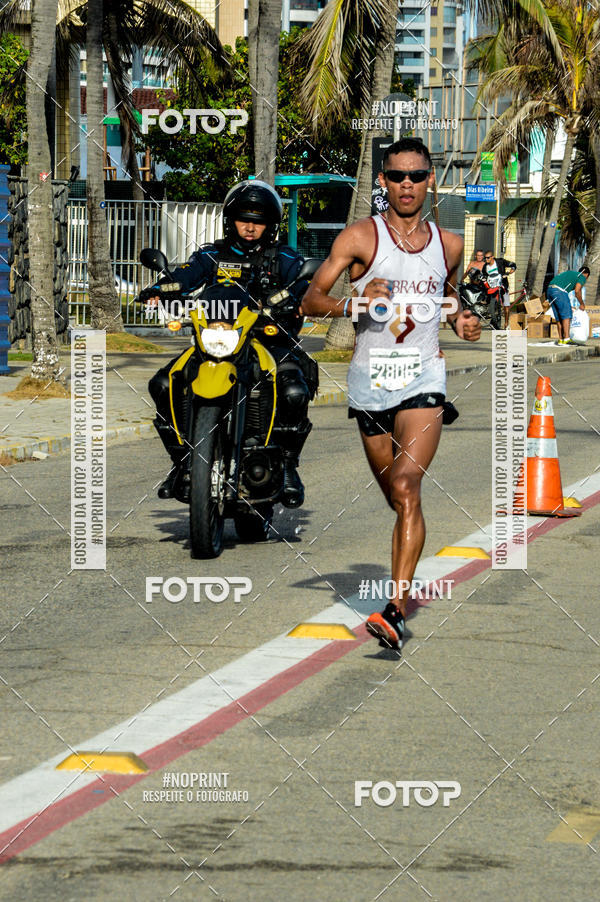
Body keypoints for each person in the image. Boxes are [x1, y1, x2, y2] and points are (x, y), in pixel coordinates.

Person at [301, 137, 481, 651]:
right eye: (398, 176)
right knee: (395, 497)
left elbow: (448, 293)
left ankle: (396, 609)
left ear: (430, 182)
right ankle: (406, 559)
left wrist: (462, 317)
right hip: (371, 379)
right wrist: (353, 299)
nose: (407, 185)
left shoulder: (449, 243)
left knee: (406, 486)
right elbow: (312, 299)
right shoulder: (360, 237)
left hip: (424, 377)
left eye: (417, 176)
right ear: (383, 181)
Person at [141, 180, 316, 506]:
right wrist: (160, 288)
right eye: (244, 218)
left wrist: (297, 295)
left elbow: (306, 280)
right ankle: (181, 461)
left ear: (271, 225)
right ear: (230, 220)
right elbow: (186, 276)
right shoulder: (211, 254)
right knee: (162, 384)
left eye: (259, 220)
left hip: (269, 340)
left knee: (294, 390)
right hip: (217, 339)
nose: (250, 227)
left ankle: (289, 466)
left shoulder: (285, 257)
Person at [546, 265, 589, 344]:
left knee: (559, 316)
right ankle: (566, 339)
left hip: (550, 290)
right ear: (586, 275)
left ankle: (561, 339)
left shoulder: (571, 274)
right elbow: (577, 291)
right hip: (559, 291)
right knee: (567, 315)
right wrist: (582, 304)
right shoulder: (582, 277)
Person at [482, 251, 517, 328]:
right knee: (490, 300)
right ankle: (493, 318)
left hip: (503, 285)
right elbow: (484, 275)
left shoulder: (500, 261)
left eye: (488, 258)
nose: (486, 259)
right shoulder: (485, 267)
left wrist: (511, 271)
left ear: (492, 257)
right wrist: (483, 279)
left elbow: (513, 265)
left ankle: (506, 323)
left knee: (506, 304)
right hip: (492, 287)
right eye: (485, 258)